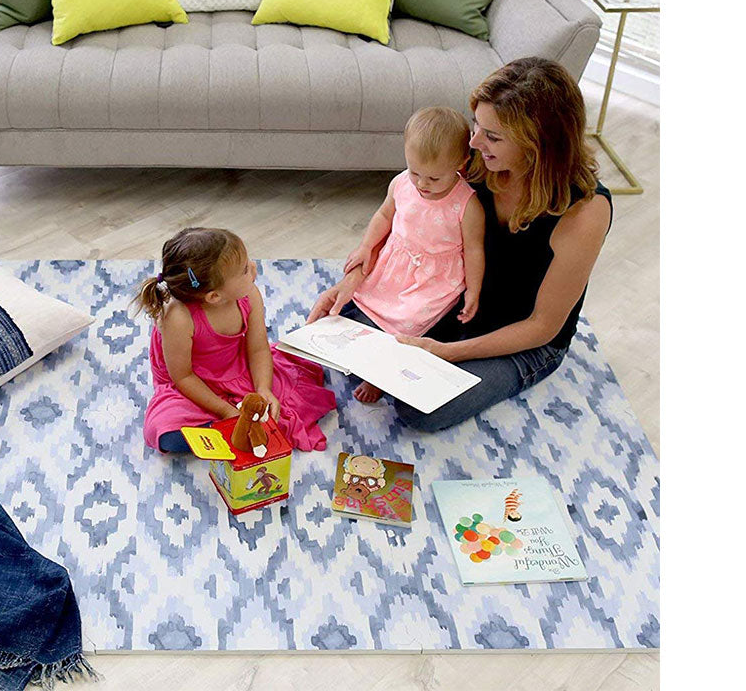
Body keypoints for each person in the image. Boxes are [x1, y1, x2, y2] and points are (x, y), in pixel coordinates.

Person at [308, 57, 613, 432]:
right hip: (455, 303)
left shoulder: (584, 210)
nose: (473, 142)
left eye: (493, 136)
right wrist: (351, 282)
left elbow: (543, 326)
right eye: (476, 126)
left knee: (420, 409)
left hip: (522, 339)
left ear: (538, 143)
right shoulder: (477, 162)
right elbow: (403, 216)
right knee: (343, 330)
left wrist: (447, 353)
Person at [137, 227, 336, 453]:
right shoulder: (178, 318)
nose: (253, 267)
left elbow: (259, 349)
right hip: (192, 383)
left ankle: (231, 429)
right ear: (214, 296)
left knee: (292, 399)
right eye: (243, 270)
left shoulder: (249, 295)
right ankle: (223, 428)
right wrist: (225, 411)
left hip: (238, 367)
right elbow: (183, 376)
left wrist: (264, 389)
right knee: (164, 432)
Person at [338, 107, 485, 403]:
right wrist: (367, 246)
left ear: (461, 163)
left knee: (407, 322)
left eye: (433, 178)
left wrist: (474, 290)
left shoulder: (466, 205)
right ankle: (361, 342)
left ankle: (380, 375)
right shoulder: (402, 183)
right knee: (361, 302)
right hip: (397, 261)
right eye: (414, 171)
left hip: (432, 279)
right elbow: (384, 215)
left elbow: (474, 250)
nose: (421, 184)